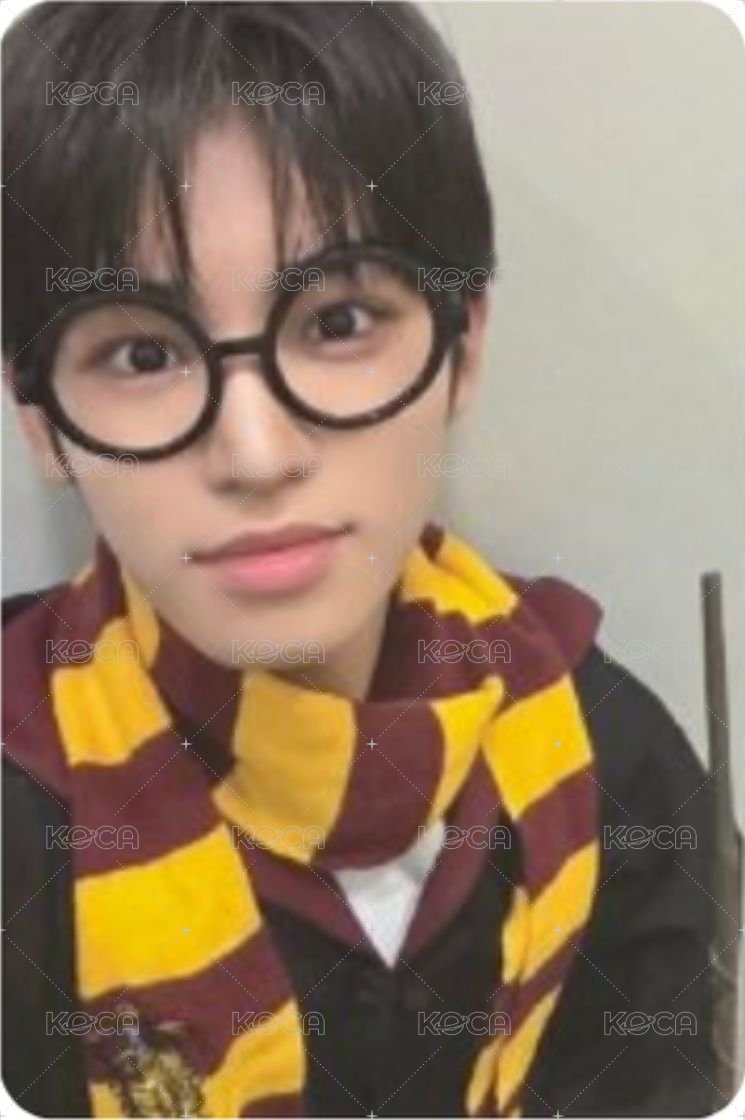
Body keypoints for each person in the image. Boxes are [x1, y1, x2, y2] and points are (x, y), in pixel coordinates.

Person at [1, 3, 716, 1117]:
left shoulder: (609, 757)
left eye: (337, 323)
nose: (256, 454)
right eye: (141, 353)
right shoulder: (24, 807)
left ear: (461, 348)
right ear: (41, 419)